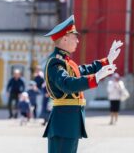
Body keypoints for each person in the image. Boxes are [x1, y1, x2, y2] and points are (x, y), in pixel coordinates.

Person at [43, 15, 122, 153]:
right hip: (63, 124)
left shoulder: (66, 61)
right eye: (75, 37)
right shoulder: (55, 62)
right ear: (65, 38)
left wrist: (107, 60)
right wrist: (96, 78)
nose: (78, 41)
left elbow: (83, 70)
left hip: (69, 123)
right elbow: (67, 84)